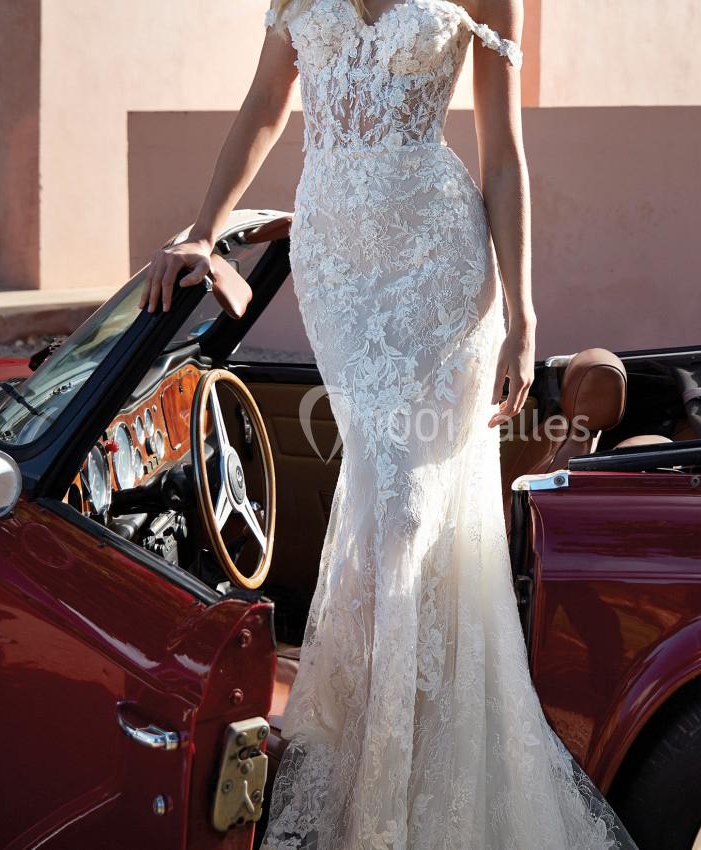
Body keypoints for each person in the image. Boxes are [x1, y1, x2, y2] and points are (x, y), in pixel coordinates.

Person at [139, 1, 638, 846]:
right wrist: (203, 233)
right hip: (340, 265)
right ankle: (370, 771)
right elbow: (266, 105)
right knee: (385, 504)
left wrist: (521, 308)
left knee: (408, 509)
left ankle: (404, 791)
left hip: (439, 270)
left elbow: (503, 158)